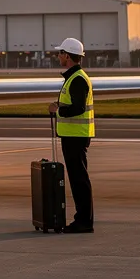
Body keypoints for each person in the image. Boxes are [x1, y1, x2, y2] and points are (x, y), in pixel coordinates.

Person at [47, 37, 94, 233]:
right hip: (72, 136)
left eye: (60, 53)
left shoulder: (78, 79)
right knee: (77, 179)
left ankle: (84, 221)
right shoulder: (73, 77)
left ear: (67, 56)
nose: (58, 56)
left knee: (79, 180)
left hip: (76, 136)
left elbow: (78, 108)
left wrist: (57, 110)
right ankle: (82, 219)